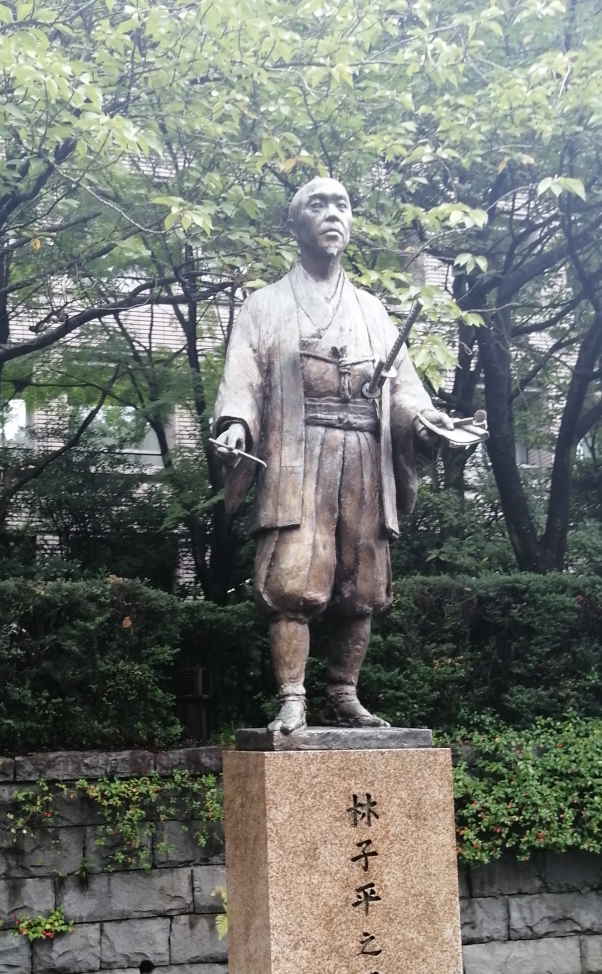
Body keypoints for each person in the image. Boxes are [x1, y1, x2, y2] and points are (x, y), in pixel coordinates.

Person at [211, 175, 454, 733]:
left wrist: (424, 421)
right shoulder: (264, 306)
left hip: (364, 456)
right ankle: (292, 696)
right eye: (317, 204)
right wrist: (236, 426)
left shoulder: (371, 309)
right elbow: (242, 382)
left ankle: (345, 692)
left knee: (362, 585)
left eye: (341, 204)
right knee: (293, 578)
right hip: (297, 457)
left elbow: (405, 391)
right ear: (294, 224)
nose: (331, 214)